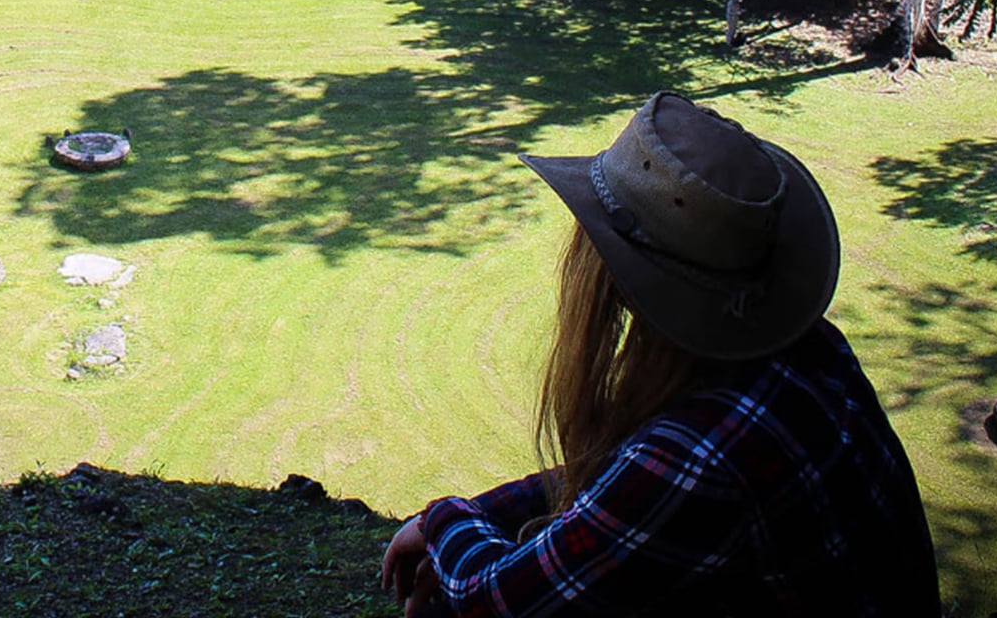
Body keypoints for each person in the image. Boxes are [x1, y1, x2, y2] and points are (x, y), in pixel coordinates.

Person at [383, 92, 940, 617]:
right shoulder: (812, 352)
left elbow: (495, 600)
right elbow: (623, 489)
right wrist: (484, 510)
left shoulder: (701, 456)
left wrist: (441, 521)